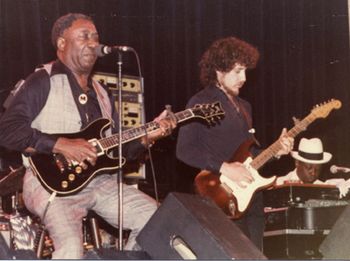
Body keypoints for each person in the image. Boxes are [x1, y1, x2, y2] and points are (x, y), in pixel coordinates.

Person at [0, 13, 176, 259]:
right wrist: (59, 144)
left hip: (100, 183)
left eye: (96, 37)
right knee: (71, 249)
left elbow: (116, 149)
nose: (93, 43)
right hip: (51, 185)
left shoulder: (102, 93)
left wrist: (148, 137)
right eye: (84, 36)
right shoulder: (43, 80)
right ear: (62, 43)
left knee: (158, 218)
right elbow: (8, 130)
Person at [176, 36, 294, 250]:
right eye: (238, 71)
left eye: (246, 71)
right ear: (219, 71)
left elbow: (248, 153)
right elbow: (184, 150)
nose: (244, 78)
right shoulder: (201, 102)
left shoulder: (245, 106)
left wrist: (277, 150)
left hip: (252, 197)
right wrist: (225, 168)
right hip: (221, 195)